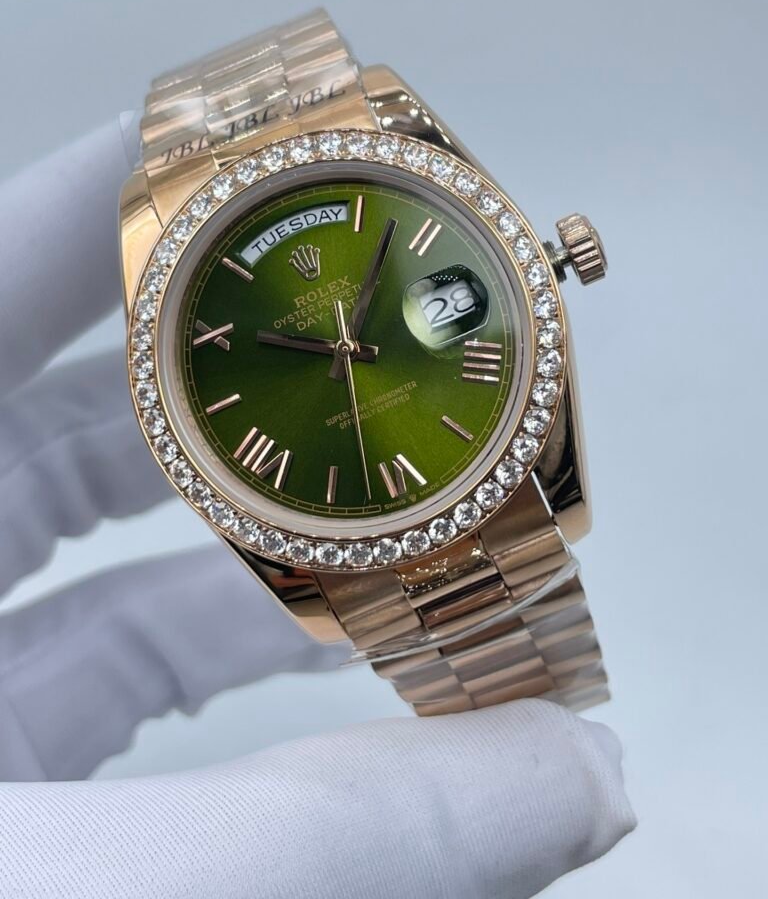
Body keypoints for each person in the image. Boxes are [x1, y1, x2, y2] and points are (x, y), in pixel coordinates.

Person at [0, 116, 635, 898]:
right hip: (354, 513)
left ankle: (549, 691)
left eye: (349, 343)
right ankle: (541, 701)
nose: (346, 349)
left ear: (551, 258)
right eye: (340, 350)